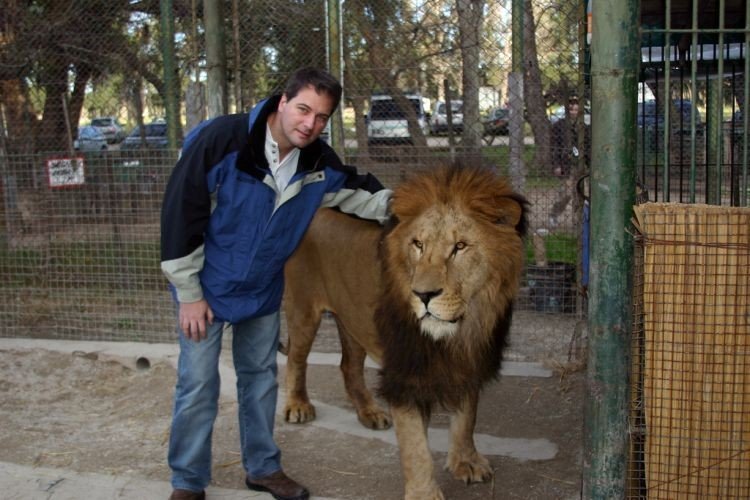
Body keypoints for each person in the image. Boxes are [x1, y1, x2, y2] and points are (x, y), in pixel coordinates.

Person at [160, 67, 391, 500]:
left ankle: (263, 467)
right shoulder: (223, 142)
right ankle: (188, 481)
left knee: (261, 380)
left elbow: (360, 194)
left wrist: (414, 206)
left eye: (322, 117)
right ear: (282, 102)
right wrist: (189, 295)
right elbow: (181, 212)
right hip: (207, 288)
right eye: (303, 109)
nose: (310, 124)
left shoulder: (318, 161)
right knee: (198, 385)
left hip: (262, 289)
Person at [548, 97, 590, 227]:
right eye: (571, 109)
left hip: (583, 164)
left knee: (583, 193)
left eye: (577, 109)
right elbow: (554, 147)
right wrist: (556, 165)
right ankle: (554, 214)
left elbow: (589, 145)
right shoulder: (558, 126)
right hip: (567, 164)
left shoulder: (585, 126)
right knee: (565, 194)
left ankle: (579, 220)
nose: (574, 111)